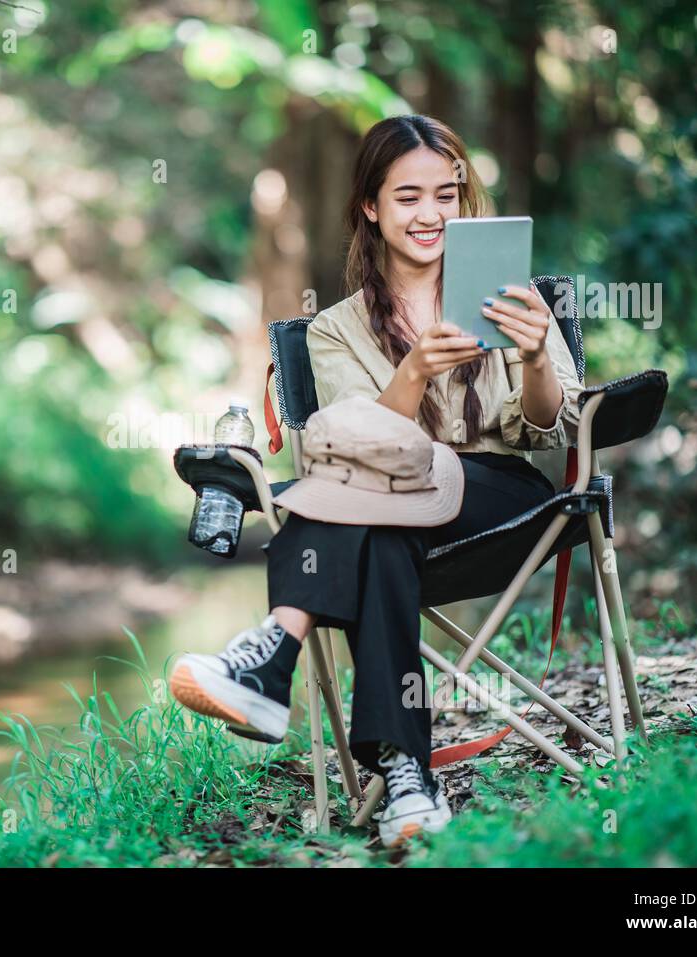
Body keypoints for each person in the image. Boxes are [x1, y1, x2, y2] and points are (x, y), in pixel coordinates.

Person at [168, 114, 584, 847]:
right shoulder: (333, 329)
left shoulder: (511, 295)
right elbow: (359, 440)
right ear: (371, 205)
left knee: (360, 498)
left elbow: (551, 426)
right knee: (383, 530)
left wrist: (534, 356)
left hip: (505, 499)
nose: (430, 215)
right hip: (390, 506)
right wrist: (416, 369)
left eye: (446, 196)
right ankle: (406, 775)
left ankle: (273, 648)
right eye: (408, 197)